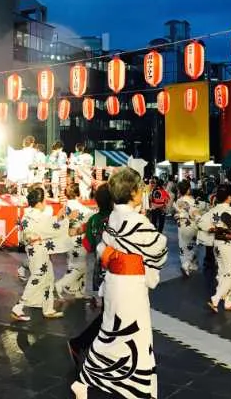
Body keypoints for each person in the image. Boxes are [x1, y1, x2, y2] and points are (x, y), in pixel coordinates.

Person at [72, 167, 168, 399]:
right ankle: (139, 388)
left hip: (115, 282)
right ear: (134, 192)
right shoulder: (135, 220)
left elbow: (104, 246)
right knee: (135, 334)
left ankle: (87, 379)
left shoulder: (115, 216)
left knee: (112, 332)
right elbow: (160, 248)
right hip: (130, 285)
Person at [68, 183, 113, 368]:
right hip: (113, 270)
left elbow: (87, 246)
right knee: (110, 313)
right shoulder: (114, 219)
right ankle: (82, 344)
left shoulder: (93, 219)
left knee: (109, 312)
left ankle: (85, 345)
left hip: (99, 270)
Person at [10, 185, 68, 321]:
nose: (46, 203)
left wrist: (58, 219)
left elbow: (47, 227)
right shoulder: (37, 217)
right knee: (37, 279)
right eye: (45, 200)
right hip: (38, 252)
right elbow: (52, 229)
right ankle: (18, 307)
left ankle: (48, 308)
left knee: (48, 277)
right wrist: (64, 220)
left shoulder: (28, 216)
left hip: (36, 251)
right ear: (39, 202)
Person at [199, 184, 231, 312]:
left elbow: (202, 222)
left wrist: (212, 228)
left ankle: (229, 301)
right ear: (229, 197)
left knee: (222, 272)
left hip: (218, 243)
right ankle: (216, 298)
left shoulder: (213, 211)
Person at [55, 183, 92, 299]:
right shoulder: (82, 208)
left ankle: (79, 291)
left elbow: (59, 222)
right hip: (78, 239)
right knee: (80, 267)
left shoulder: (64, 207)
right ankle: (60, 285)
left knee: (74, 264)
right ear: (78, 193)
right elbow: (91, 217)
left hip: (67, 239)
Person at [173, 179, 200, 277]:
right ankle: (187, 265)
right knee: (193, 246)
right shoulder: (192, 201)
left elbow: (176, 213)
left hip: (181, 226)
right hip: (192, 225)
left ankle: (190, 264)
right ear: (188, 190)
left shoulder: (178, 201)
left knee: (183, 246)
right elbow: (195, 213)